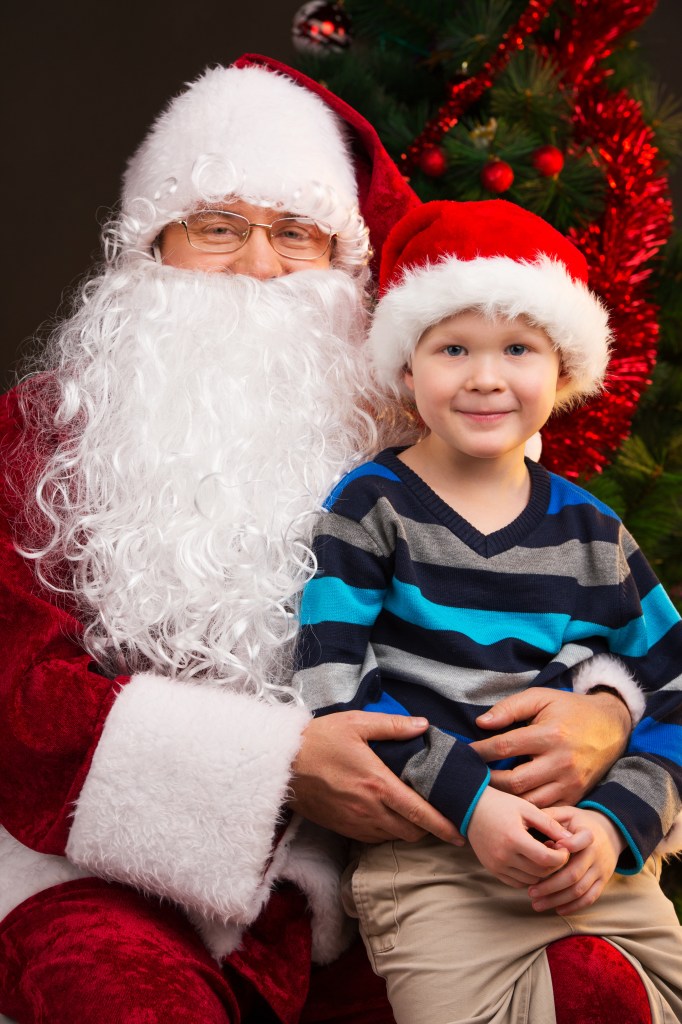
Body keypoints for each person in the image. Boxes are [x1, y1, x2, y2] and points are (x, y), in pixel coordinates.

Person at [0, 55, 639, 1024]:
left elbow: (576, 596)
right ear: (149, 249)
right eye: (218, 228)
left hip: (387, 864)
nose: (259, 265)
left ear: (347, 265)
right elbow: (15, 685)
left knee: (578, 992)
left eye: (295, 234)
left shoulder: (421, 440)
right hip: (95, 864)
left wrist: (604, 711)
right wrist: (274, 765)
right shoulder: (41, 430)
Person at [294, 199, 682, 1024]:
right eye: (453, 348)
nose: (485, 377)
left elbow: (673, 686)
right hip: (431, 857)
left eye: (518, 348)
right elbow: (334, 682)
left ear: (564, 370)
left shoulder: (593, 533)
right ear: (407, 369)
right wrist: (473, 805)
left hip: (588, 850)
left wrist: (616, 826)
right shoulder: (372, 509)